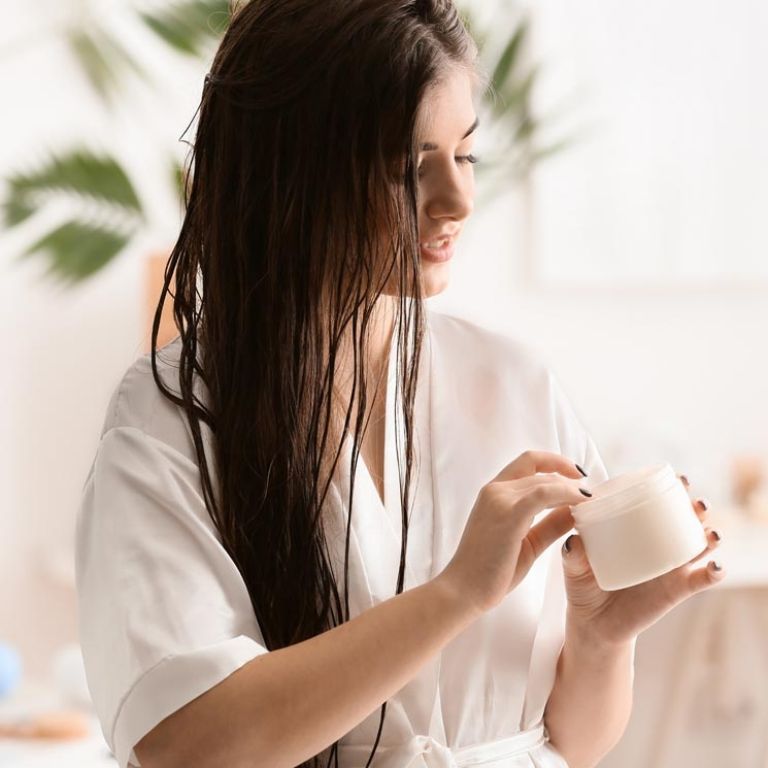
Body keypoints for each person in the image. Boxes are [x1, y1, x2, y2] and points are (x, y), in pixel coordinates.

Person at [74, 1, 725, 767]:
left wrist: (601, 634)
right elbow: (186, 747)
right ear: (290, 170)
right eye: (408, 169)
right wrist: (455, 594)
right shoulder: (171, 417)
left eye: (467, 156)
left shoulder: (513, 380)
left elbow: (571, 741)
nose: (458, 201)